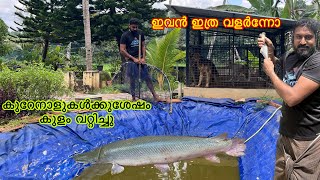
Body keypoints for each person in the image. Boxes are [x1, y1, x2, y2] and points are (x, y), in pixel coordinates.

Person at [258, 18, 320, 179]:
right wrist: (270, 51)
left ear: (316, 38)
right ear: (292, 38)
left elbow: (292, 98)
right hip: (285, 136)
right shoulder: (290, 57)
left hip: (308, 141)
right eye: (298, 37)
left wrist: (270, 72)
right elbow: (278, 68)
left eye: (308, 37)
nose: (303, 41)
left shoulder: (317, 63)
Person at [120, 18, 163, 102]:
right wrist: (133, 59)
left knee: (147, 77)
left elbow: (143, 46)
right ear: (129, 26)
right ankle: (133, 98)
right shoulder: (125, 35)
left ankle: (155, 96)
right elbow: (122, 50)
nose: (135, 29)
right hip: (131, 59)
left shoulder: (140, 33)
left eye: (136, 27)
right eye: (133, 27)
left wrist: (143, 57)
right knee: (133, 79)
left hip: (140, 59)